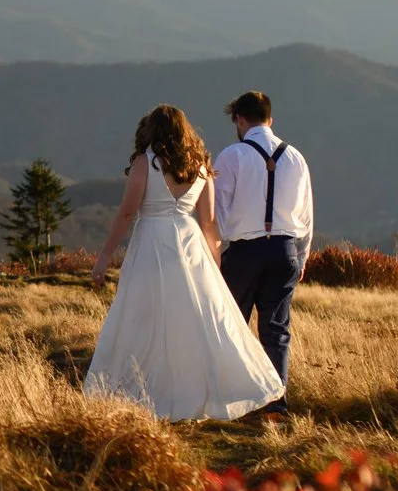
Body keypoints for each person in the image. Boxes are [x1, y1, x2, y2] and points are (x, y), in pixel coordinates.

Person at [84, 104, 285, 422]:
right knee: (192, 322)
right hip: (191, 245)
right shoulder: (201, 165)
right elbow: (208, 222)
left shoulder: (144, 162)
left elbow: (127, 211)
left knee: (144, 318)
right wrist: (214, 263)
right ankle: (194, 394)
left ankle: (147, 392)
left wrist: (105, 257)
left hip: (152, 242)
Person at [212, 90, 313, 413]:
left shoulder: (231, 155)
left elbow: (218, 211)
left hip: (244, 252)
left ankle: (234, 400)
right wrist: (302, 257)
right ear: (270, 119)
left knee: (232, 326)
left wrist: (217, 250)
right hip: (285, 251)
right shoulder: (296, 157)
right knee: (276, 330)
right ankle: (275, 404)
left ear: (240, 120)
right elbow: (306, 215)